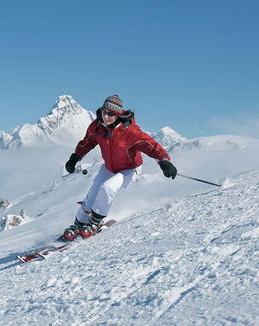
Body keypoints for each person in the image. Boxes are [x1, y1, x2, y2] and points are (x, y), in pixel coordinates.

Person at [62, 94, 177, 241]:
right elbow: (87, 143)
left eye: (111, 113)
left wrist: (164, 161)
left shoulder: (131, 132)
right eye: (104, 112)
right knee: (93, 192)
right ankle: (79, 223)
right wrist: (74, 158)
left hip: (130, 169)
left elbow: (151, 146)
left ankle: (95, 222)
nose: (106, 116)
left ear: (118, 114)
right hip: (109, 167)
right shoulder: (97, 127)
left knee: (107, 188)